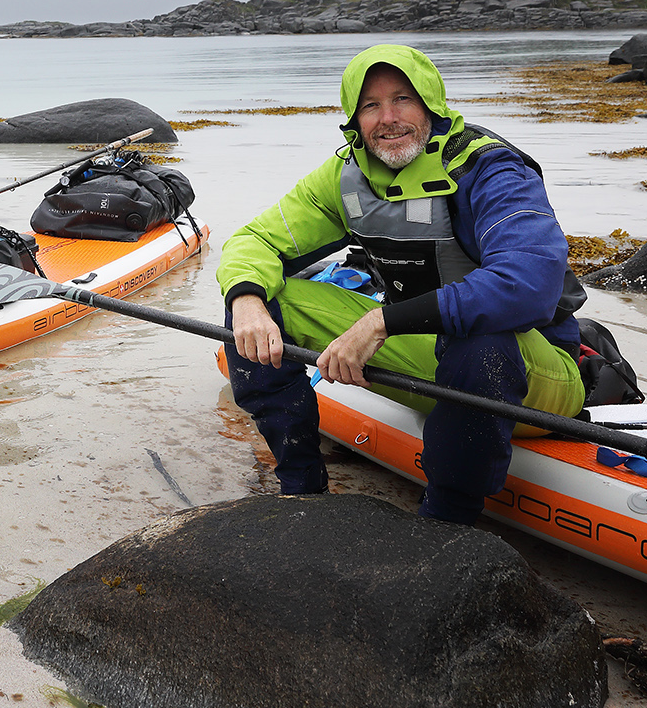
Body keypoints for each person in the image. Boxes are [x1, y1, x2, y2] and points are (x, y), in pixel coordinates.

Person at [216, 43, 586, 524]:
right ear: (354, 118)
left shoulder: (489, 169)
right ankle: (301, 490)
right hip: (420, 356)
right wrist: (246, 301)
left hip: (531, 376)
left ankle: (447, 520)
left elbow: (528, 282)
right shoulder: (346, 174)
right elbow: (254, 239)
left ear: (431, 103)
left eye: (402, 99)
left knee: (479, 341)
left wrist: (381, 322)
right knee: (264, 299)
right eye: (370, 105)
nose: (387, 118)